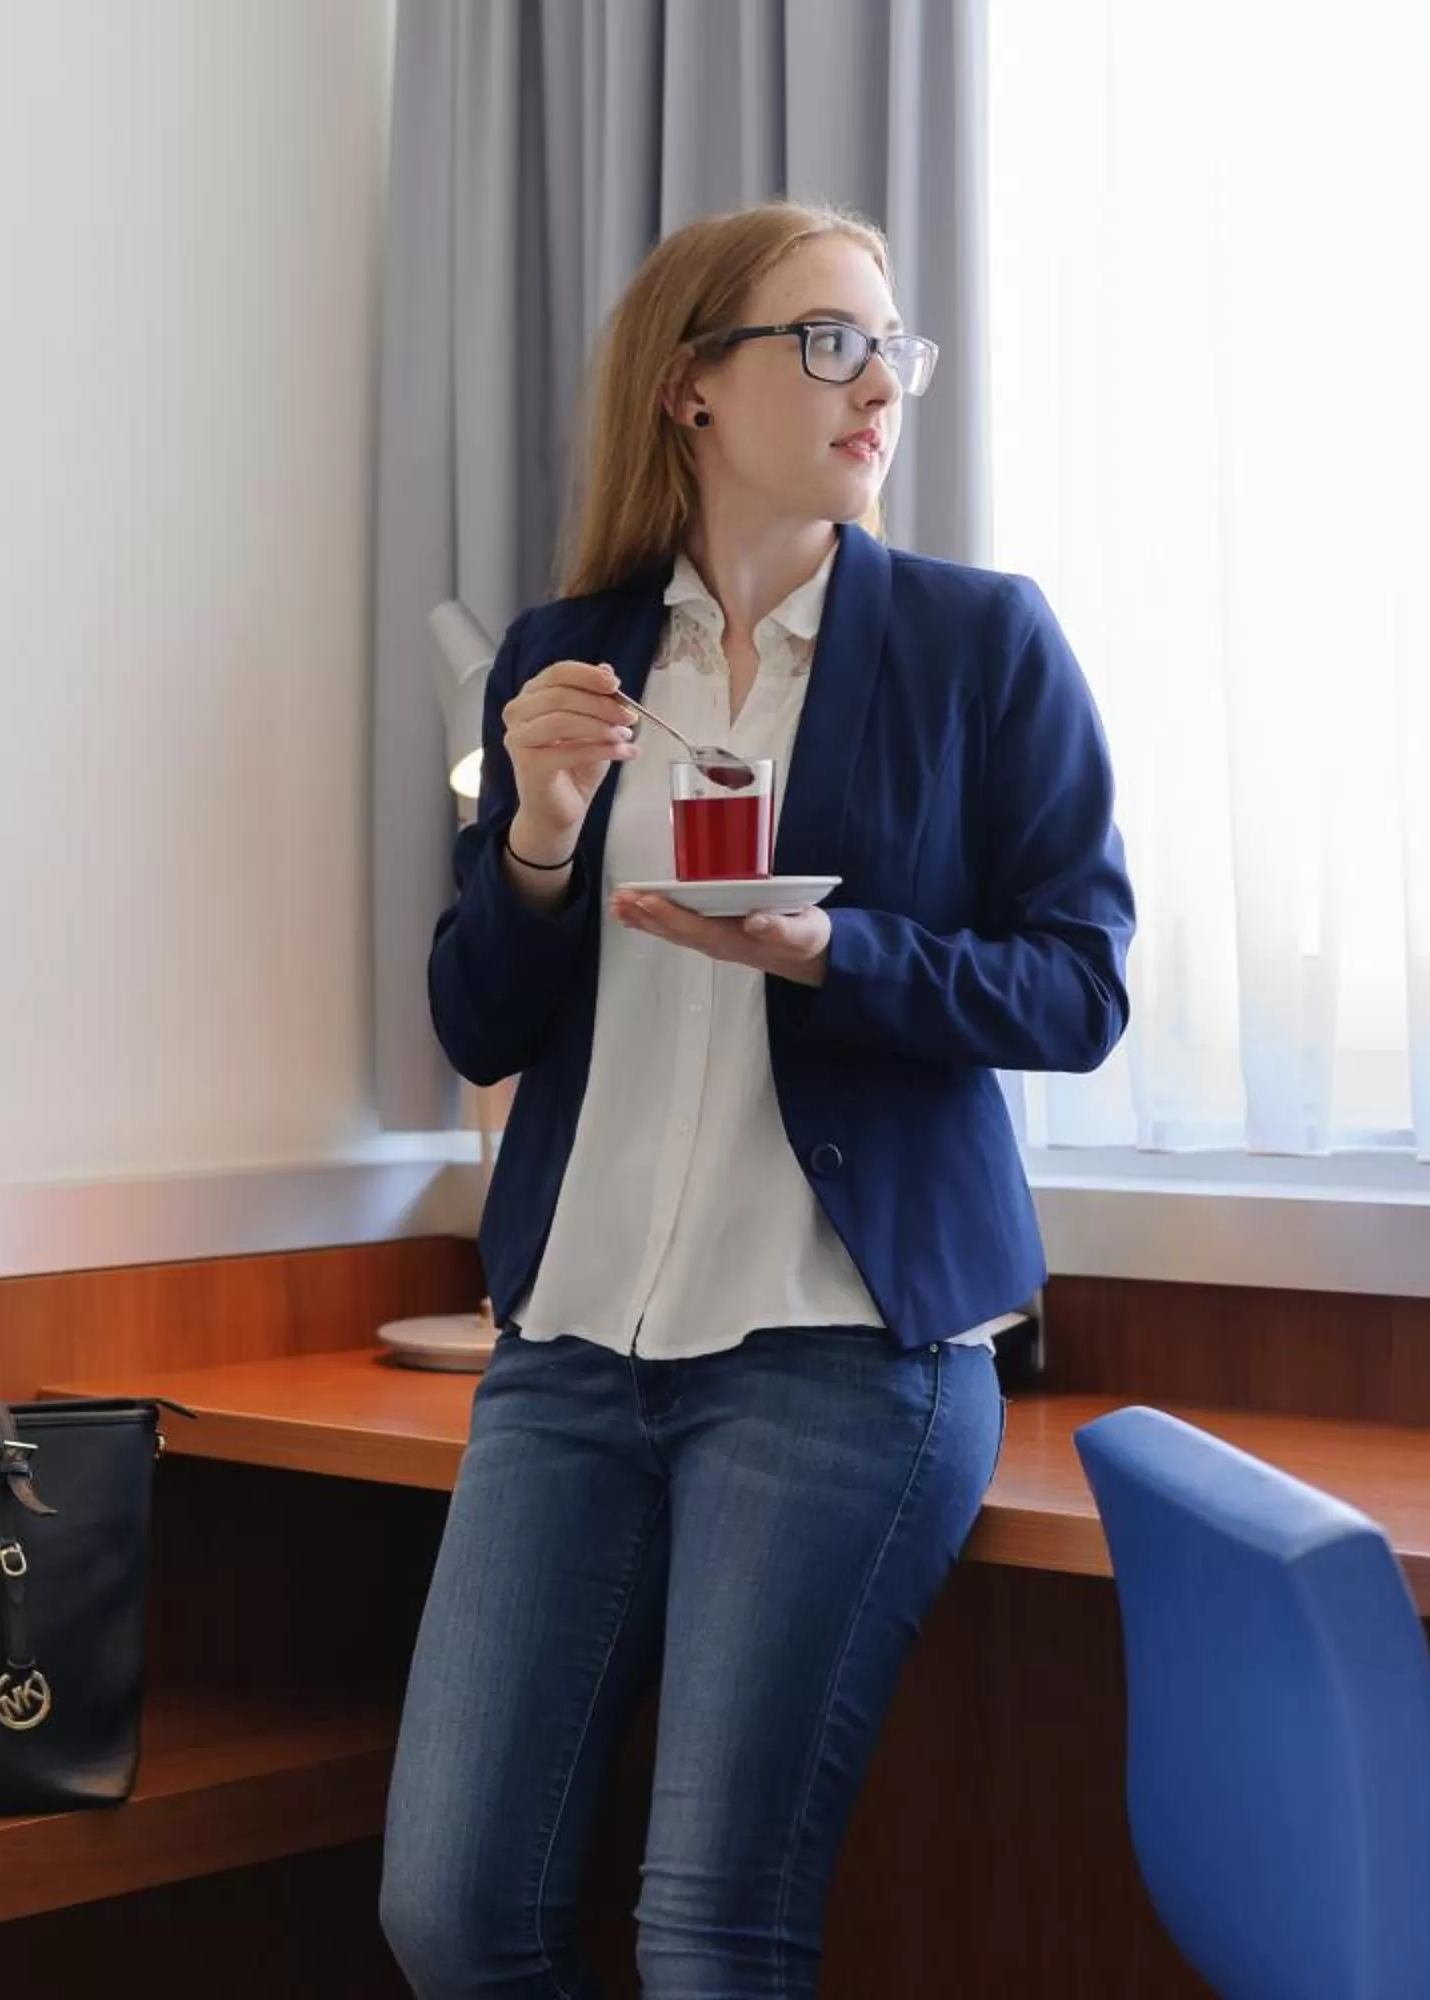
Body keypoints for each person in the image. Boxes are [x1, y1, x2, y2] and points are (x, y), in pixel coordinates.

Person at [379, 202, 1136, 1999]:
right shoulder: (565, 659)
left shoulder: (980, 644)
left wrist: (837, 957)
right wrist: (540, 842)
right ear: (690, 387)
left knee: (714, 1934)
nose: (879, 383)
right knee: (453, 1915)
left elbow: (1084, 986)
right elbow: (482, 1020)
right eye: (826, 341)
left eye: (893, 347)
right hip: (567, 1356)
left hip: (842, 1358)